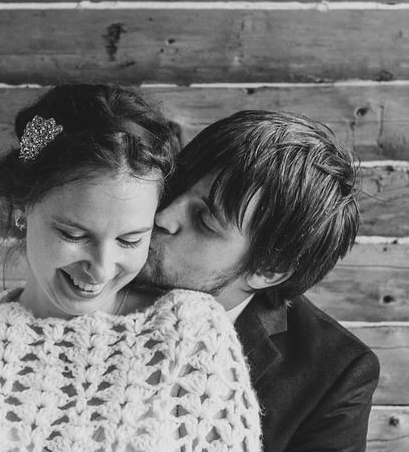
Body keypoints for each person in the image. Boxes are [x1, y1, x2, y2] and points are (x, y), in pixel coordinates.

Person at [0, 85, 262, 452]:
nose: (100, 268)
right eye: (74, 234)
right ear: (22, 210)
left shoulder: (189, 336)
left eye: (130, 240)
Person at [140, 109, 380, 452]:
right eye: (172, 189)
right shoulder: (90, 275)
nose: (161, 216)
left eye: (204, 220)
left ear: (269, 268)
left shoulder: (335, 375)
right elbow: (37, 140)